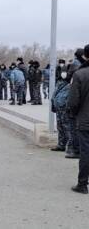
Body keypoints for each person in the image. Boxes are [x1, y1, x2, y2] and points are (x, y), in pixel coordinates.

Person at [68, 44, 89, 194]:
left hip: (85, 120)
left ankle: (82, 184)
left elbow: (73, 101)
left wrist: (73, 114)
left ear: (85, 56)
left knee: (85, 152)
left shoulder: (80, 74)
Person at [51, 70, 73, 152]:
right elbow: (54, 95)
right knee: (60, 127)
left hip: (65, 109)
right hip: (59, 108)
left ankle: (69, 146)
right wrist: (53, 105)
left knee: (66, 127)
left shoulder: (70, 84)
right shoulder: (60, 83)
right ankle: (61, 144)